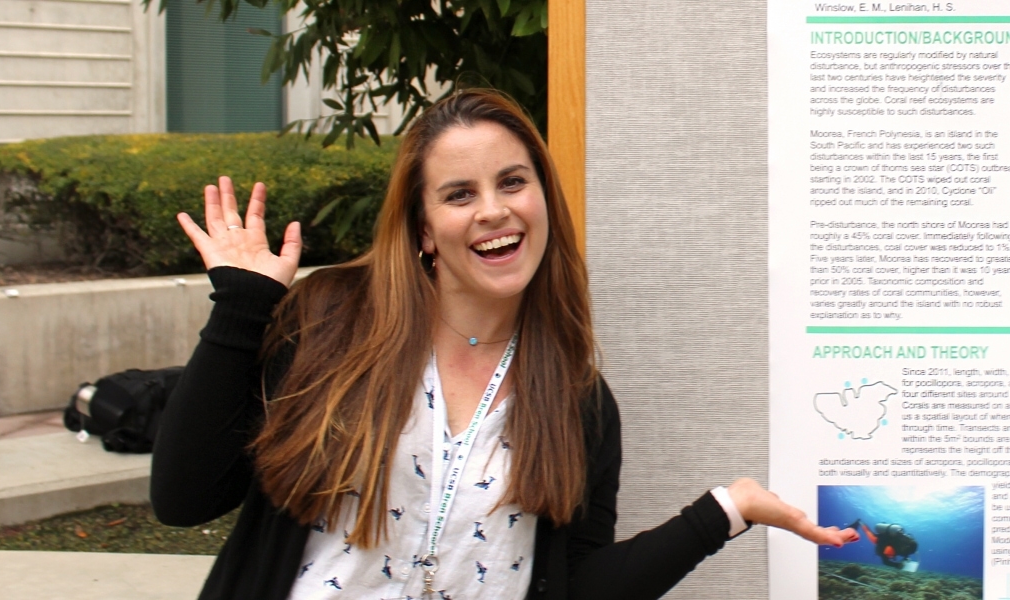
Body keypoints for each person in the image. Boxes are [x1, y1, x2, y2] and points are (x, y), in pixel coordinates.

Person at [151, 89, 856, 600]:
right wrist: (243, 309)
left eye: (512, 182)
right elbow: (183, 497)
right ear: (424, 228)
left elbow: (574, 586)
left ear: (541, 200)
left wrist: (727, 510)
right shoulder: (332, 324)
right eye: (459, 194)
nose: (493, 209)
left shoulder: (576, 400)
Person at [846, 519, 919, 569]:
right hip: (880, 540)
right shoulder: (893, 548)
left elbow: (906, 553)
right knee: (870, 535)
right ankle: (860, 522)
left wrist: (905, 559)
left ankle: (861, 522)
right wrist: (896, 565)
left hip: (889, 537)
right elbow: (885, 561)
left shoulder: (906, 546)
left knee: (871, 535)